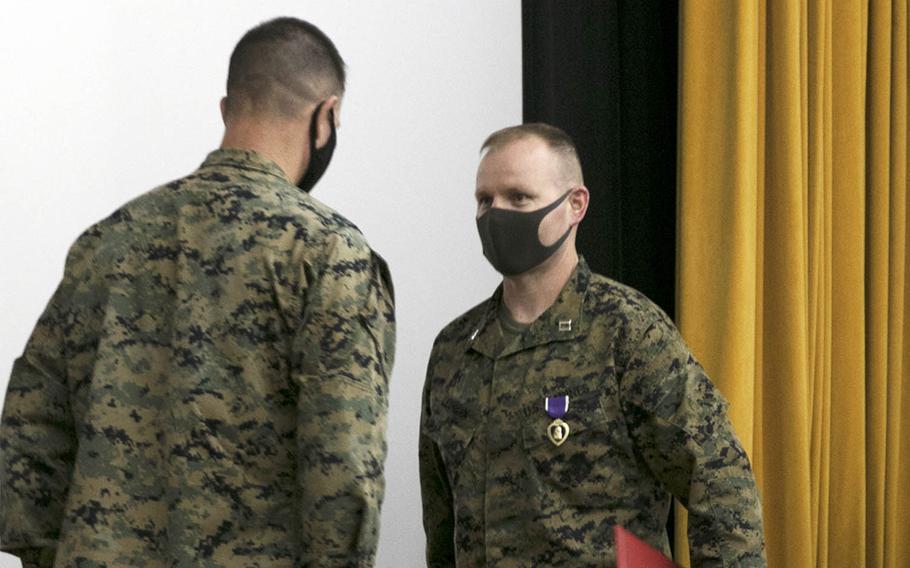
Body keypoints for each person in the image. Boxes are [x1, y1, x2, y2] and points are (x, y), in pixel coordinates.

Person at [0, 17, 394, 568]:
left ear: (226, 109)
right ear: (326, 116)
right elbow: (343, 465)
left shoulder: (105, 243)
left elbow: (29, 432)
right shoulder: (327, 254)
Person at [419, 123, 765, 566]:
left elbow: (720, 487)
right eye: (485, 200)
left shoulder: (628, 332)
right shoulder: (454, 350)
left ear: (575, 205)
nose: (495, 214)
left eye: (518, 197)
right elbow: (442, 523)